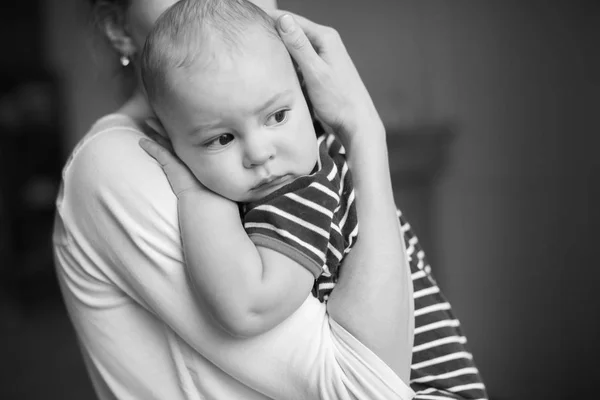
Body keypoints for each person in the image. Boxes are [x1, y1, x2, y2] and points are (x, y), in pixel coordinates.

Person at [53, 0, 488, 399]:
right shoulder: (117, 162)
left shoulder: (301, 173)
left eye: (277, 115)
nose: (260, 152)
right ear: (117, 26)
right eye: (221, 137)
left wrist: (364, 132)